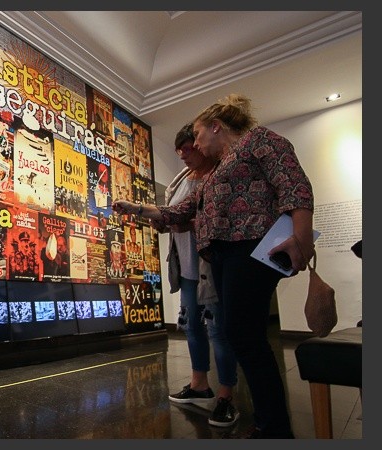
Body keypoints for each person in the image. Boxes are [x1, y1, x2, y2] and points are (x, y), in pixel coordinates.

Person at [114, 94, 314, 439]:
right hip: (223, 256)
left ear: (216, 126)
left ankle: (274, 429)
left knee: (244, 336)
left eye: (197, 133)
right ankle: (270, 424)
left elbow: (294, 186)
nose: (195, 143)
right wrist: (137, 208)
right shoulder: (215, 171)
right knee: (243, 335)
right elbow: (182, 210)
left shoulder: (259, 140)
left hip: (248, 247)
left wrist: (302, 237)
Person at [154, 123, 239, 427]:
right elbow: (175, 214)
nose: (184, 156)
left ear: (202, 144)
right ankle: (199, 384)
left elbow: (225, 218)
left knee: (218, 331)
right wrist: (163, 222)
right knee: (192, 327)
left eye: (189, 149)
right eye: (179, 151)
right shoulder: (180, 180)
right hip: (187, 266)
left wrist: (187, 225)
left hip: (210, 266)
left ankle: (227, 396)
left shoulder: (219, 174)